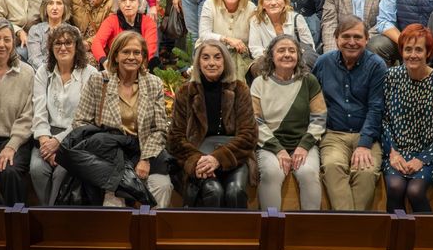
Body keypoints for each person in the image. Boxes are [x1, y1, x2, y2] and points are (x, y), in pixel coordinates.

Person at [72, 30, 173, 207]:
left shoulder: (153, 83)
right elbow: (80, 123)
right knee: (113, 199)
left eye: (137, 52)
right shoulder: (99, 81)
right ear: (116, 56)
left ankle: (152, 232)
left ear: (143, 57)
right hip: (109, 154)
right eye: (126, 52)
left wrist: (145, 159)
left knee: (162, 187)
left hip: (143, 150)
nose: (131, 57)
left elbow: (159, 128)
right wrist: (102, 154)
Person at [169, 40, 258, 208]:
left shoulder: (240, 90)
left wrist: (218, 158)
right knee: (213, 190)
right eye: (205, 58)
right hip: (197, 155)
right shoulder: (185, 92)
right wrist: (197, 161)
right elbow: (175, 138)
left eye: (217, 57)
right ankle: (205, 234)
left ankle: (238, 235)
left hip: (234, 155)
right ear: (198, 62)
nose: (211, 63)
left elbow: (249, 135)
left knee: (235, 190)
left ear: (225, 61)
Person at [313, 15, 388, 211]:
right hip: (333, 134)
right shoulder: (323, 63)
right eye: (346, 36)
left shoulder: (377, 65)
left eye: (357, 37)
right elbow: (313, 102)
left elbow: (376, 107)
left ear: (366, 39)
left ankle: (350, 228)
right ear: (336, 38)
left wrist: (364, 145)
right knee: (332, 166)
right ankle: (351, 226)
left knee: (366, 171)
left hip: (367, 135)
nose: (352, 42)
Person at [380, 25, 433, 213]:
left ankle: (425, 238)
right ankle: (396, 237)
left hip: (428, 155)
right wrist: (393, 152)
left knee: (415, 190)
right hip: (397, 152)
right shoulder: (391, 77)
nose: (413, 55)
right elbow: (385, 120)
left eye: (419, 49)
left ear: (428, 52)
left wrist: (422, 159)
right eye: (408, 49)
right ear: (401, 51)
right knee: (395, 187)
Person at [251, 34, 325, 209]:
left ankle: (309, 229)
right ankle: (271, 226)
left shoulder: (309, 81)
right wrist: (278, 150)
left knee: (308, 173)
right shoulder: (259, 83)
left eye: (292, 50)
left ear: (299, 55)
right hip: (270, 145)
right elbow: (255, 120)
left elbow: (319, 117)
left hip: (302, 143)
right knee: (272, 173)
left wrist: (304, 146)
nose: (287, 54)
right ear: (271, 56)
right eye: (281, 50)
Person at [30, 24, 97, 205]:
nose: (63, 47)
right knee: (37, 169)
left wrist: (58, 142)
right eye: (58, 43)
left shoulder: (90, 74)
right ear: (51, 48)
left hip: (77, 135)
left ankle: (50, 217)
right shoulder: (43, 72)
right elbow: (39, 111)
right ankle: (47, 210)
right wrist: (46, 142)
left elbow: (87, 117)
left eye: (68, 43)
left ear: (77, 46)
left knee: (62, 170)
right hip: (46, 134)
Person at [197, 0, 257, 77]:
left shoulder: (251, 8)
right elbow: (204, 34)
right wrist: (227, 39)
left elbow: (254, 39)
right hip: (212, 51)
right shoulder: (209, 5)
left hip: (240, 55)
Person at [249, 0, 316, 67]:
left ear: (285, 2)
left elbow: (309, 46)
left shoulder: (297, 18)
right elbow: (255, 49)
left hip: (297, 63)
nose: (273, 3)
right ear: (262, 4)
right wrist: (276, 58)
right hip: (269, 63)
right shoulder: (256, 21)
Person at [92, 0, 159, 67]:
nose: (127, 4)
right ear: (119, 4)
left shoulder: (148, 22)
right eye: (123, 0)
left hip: (141, 63)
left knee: (155, 62)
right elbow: (97, 43)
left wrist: (139, 65)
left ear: (139, 3)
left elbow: (150, 47)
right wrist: (105, 62)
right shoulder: (111, 20)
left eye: (132, 0)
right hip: (116, 63)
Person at [27, 0, 71, 70]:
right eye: (50, 3)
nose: (55, 8)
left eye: (59, 3)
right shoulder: (35, 31)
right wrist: (52, 71)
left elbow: (76, 58)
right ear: (45, 8)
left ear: (65, 8)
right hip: (43, 75)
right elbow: (34, 58)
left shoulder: (73, 31)